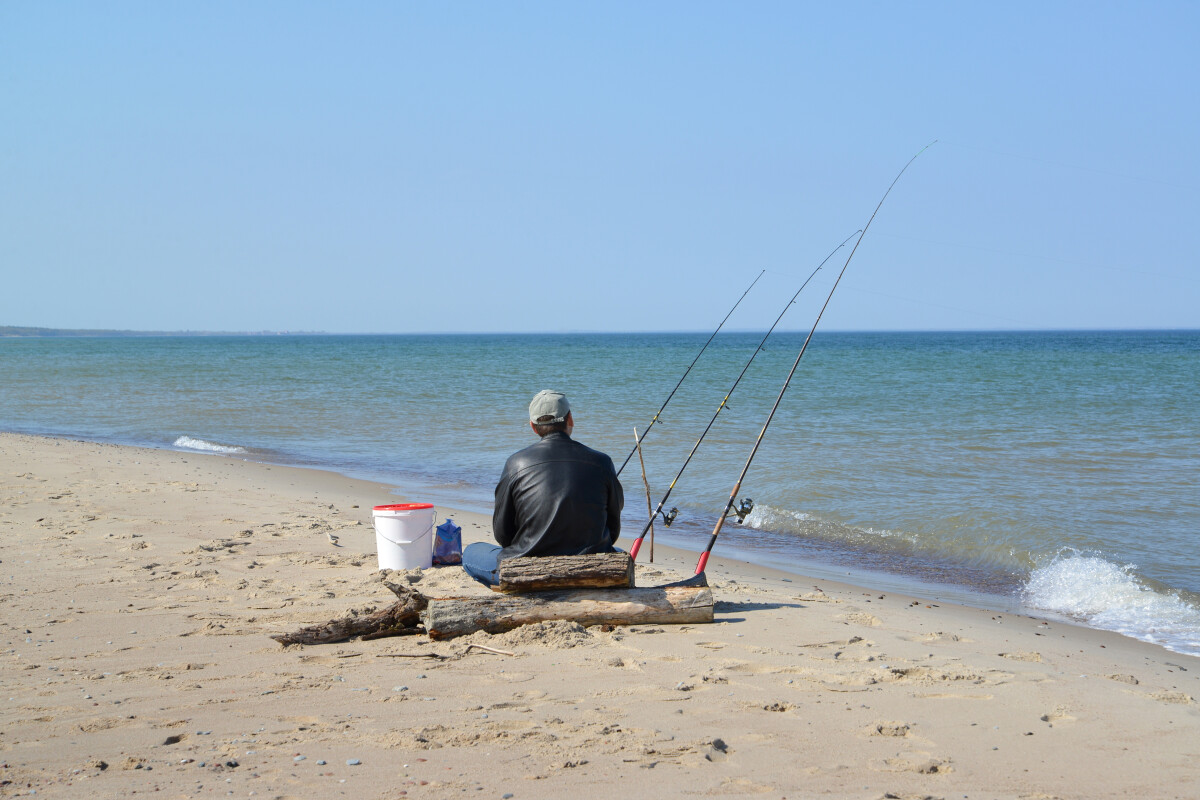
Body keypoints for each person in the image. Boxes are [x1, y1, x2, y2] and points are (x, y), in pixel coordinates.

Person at [463, 390, 624, 586]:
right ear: (570, 419)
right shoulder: (602, 461)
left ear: (533, 426)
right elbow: (613, 529)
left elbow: (503, 535)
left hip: (527, 568)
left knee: (471, 552)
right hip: (588, 565)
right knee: (619, 553)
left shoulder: (516, 463)